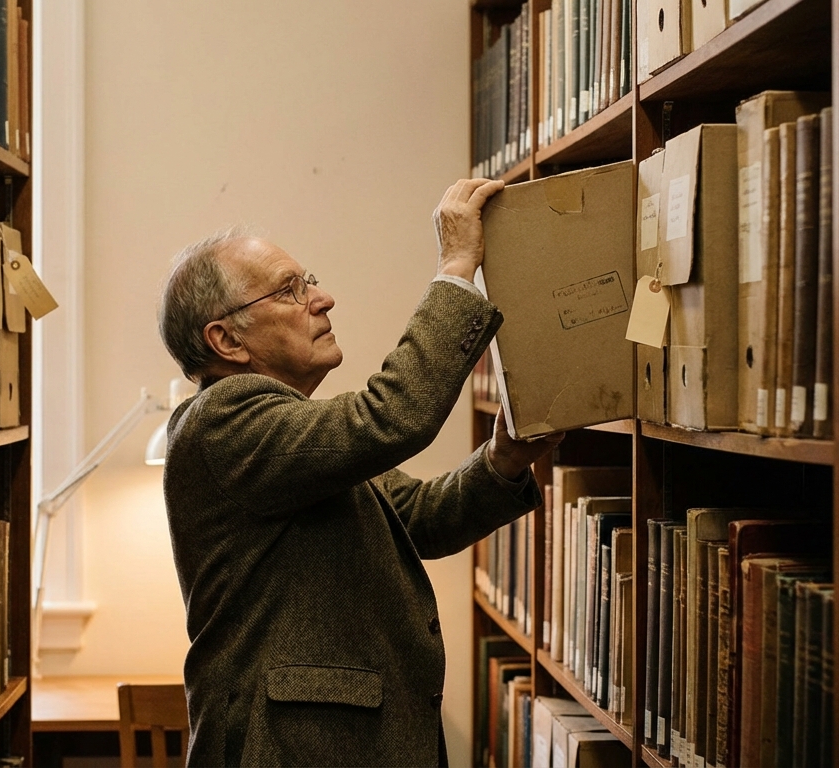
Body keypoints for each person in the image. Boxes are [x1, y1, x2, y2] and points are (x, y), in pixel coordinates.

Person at [156, 178, 562, 767]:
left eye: (309, 281)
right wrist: (455, 268)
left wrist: (503, 460)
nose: (322, 299)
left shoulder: (290, 431)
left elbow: (422, 518)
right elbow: (392, 416)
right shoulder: (223, 420)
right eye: (290, 291)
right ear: (226, 339)